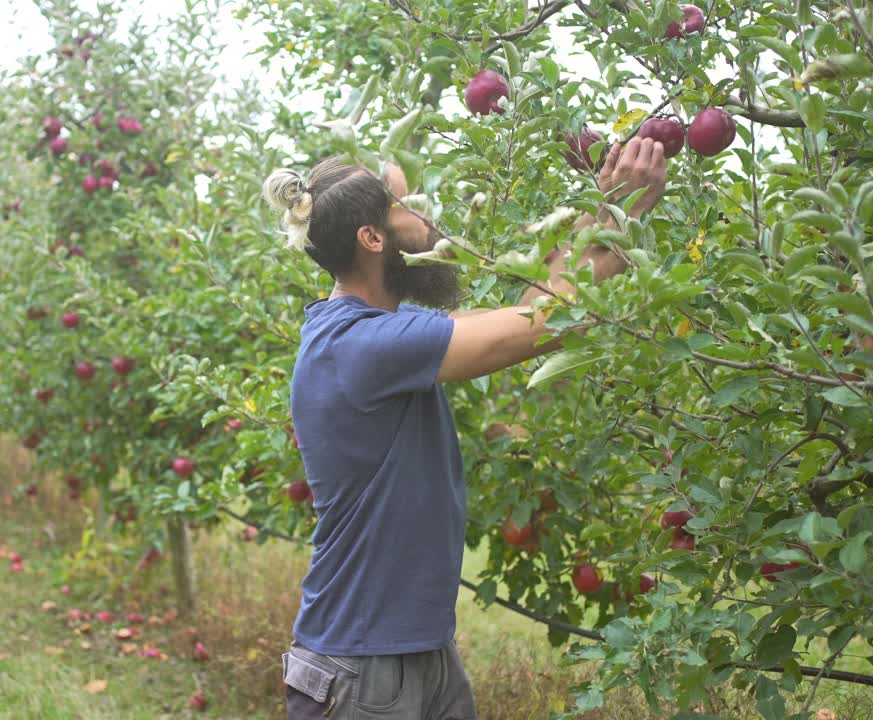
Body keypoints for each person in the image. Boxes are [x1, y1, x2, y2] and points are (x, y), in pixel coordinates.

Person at [262, 137, 669, 719]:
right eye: (412, 205)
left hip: (415, 654)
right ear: (372, 239)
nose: (432, 220)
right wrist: (621, 215)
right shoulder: (360, 346)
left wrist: (595, 210)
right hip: (361, 670)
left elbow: (526, 309)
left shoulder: (378, 335)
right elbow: (541, 323)